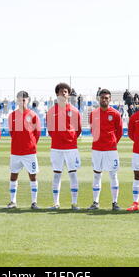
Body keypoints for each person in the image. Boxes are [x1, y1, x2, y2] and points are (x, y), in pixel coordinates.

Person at [46, 82, 82, 210]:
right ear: (57, 94)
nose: (63, 93)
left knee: (73, 174)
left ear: (68, 94)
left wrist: (70, 139)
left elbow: (78, 130)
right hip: (56, 148)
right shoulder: (51, 111)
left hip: (71, 148)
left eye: (65, 91)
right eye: (61, 91)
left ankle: (74, 203)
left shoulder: (74, 111)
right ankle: (56, 203)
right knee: (56, 174)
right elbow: (50, 130)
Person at [87, 89, 122, 211]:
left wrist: (112, 143)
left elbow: (120, 132)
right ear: (99, 99)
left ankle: (115, 202)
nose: (104, 100)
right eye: (102, 98)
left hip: (111, 150)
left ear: (110, 99)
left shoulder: (116, 114)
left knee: (113, 175)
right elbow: (92, 130)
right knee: (97, 175)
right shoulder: (93, 114)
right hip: (97, 149)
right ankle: (95, 202)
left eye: (106, 98)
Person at [6, 91, 42, 209]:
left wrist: (31, 144)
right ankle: (12, 201)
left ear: (28, 100)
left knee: (33, 176)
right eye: (20, 98)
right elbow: (12, 132)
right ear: (17, 100)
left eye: (24, 99)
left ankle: (34, 202)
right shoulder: (12, 116)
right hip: (16, 151)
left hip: (29, 152)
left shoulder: (33, 115)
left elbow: (37, 133)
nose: (22, 101)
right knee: (13, 175)